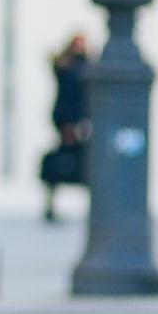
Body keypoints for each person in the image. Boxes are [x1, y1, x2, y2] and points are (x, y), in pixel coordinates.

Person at [40, 33, 91, 222]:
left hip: (80, 120)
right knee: (62, 164)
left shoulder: (85, 67)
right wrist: (67, 123)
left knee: (84, 164)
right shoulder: (68, 68)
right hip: (68, 120)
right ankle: (51, 208)